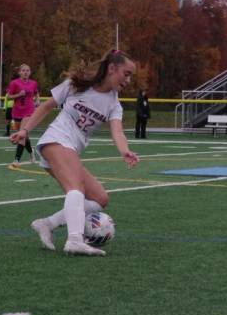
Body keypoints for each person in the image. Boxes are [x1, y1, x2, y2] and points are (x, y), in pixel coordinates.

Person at [10, 49, 139, 256]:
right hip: (55, 140)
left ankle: (47, 224)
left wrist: (125, 151)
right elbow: (46, 106)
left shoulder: (114, 104)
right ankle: (75, 240)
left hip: (68, 149)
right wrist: (25, 130)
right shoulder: (77, 85)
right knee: (75, 188)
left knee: (99, 198)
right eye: (126, 73)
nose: (129, 80)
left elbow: (118, 132)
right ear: (112, 68)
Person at [7, 64, 39, 167]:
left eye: (28, 70)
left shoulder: (33, 83)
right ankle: (31, 151)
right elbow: (9, 97)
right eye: (24, 70)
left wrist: (37, 101)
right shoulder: (14, 83)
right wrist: (19, 95)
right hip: (17, 111)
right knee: (24, 136)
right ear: (19, 72)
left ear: (30, 72)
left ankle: (17, 159)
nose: (26, 72)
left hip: (29, 111)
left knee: (21, 135)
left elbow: (36, 92)